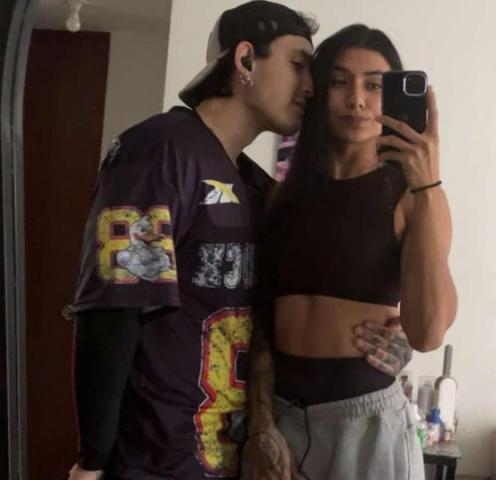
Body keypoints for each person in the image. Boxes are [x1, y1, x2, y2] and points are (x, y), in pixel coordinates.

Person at [67, 3, 412, 479]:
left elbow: (274, 312)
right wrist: (93, 460)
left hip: (232, 459)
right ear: (246, 59)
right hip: (155, 459)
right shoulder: (162, 151)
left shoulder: (256, 187)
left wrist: (387, 337)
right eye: (298, 65)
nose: (310, 87)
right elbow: (113, 310)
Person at [246, 24, 458, 480]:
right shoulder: (282, 197)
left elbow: (428, 331)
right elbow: (257, 318)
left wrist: (426, 183)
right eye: (340, 81)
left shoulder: (413, 196)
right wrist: (261, 423)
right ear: (319, 91)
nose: (356, 99)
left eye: (374, 86)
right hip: (282, 420)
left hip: (367, 426)